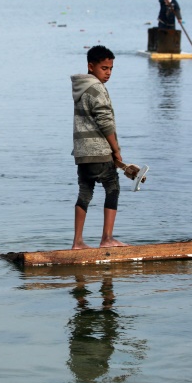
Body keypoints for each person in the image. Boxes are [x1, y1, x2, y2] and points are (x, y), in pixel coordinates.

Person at [70, 45, 127, 250]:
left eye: (111, 68)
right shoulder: (97, 88)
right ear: (90, 66)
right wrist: (116, 149)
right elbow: (105, 122)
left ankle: (77, 242)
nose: (108, 73)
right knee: (113, 188)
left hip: (82, 152)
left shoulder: (80, 88)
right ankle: (107, 239)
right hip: (99, 151)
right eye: (104, 68)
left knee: (85, 193)